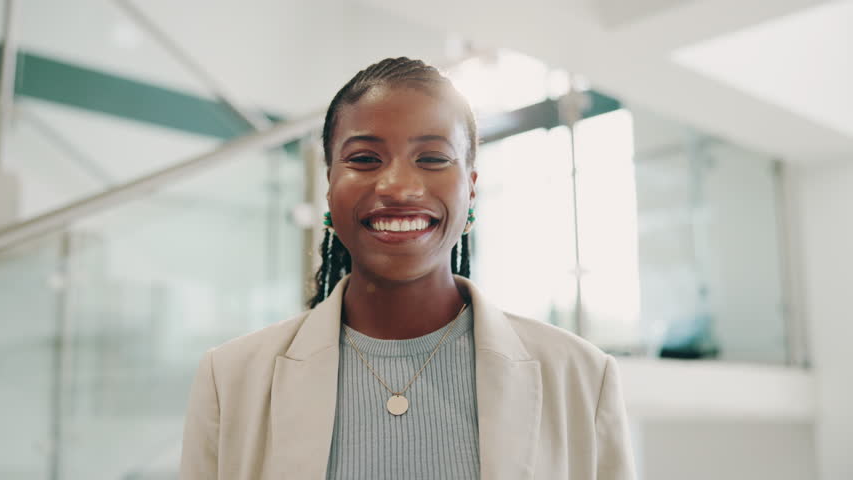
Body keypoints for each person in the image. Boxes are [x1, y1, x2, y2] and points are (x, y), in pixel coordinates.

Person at [180, 57, 636, 480]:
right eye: (363, 159)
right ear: (329, 185)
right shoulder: (231, 377)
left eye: (433, 158)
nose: (398, 186)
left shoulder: (580, 376)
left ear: (471, 188)